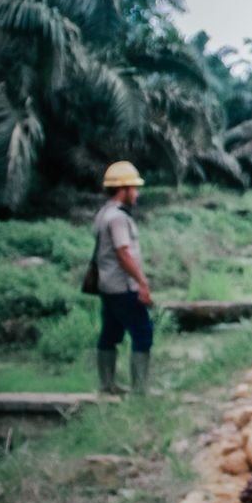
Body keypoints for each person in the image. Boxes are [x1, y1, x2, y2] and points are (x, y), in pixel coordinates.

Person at [95, 161, 153, 395]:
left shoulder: (103, 213)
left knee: (110, 333)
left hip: (107, 286)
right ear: (123, 190)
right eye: (134, 189)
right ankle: (139, 390)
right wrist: (142, 282)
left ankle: (107, 385)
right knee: (143, 333)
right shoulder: (118, 218)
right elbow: (123, 253)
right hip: (123, 287)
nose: (136, 194)